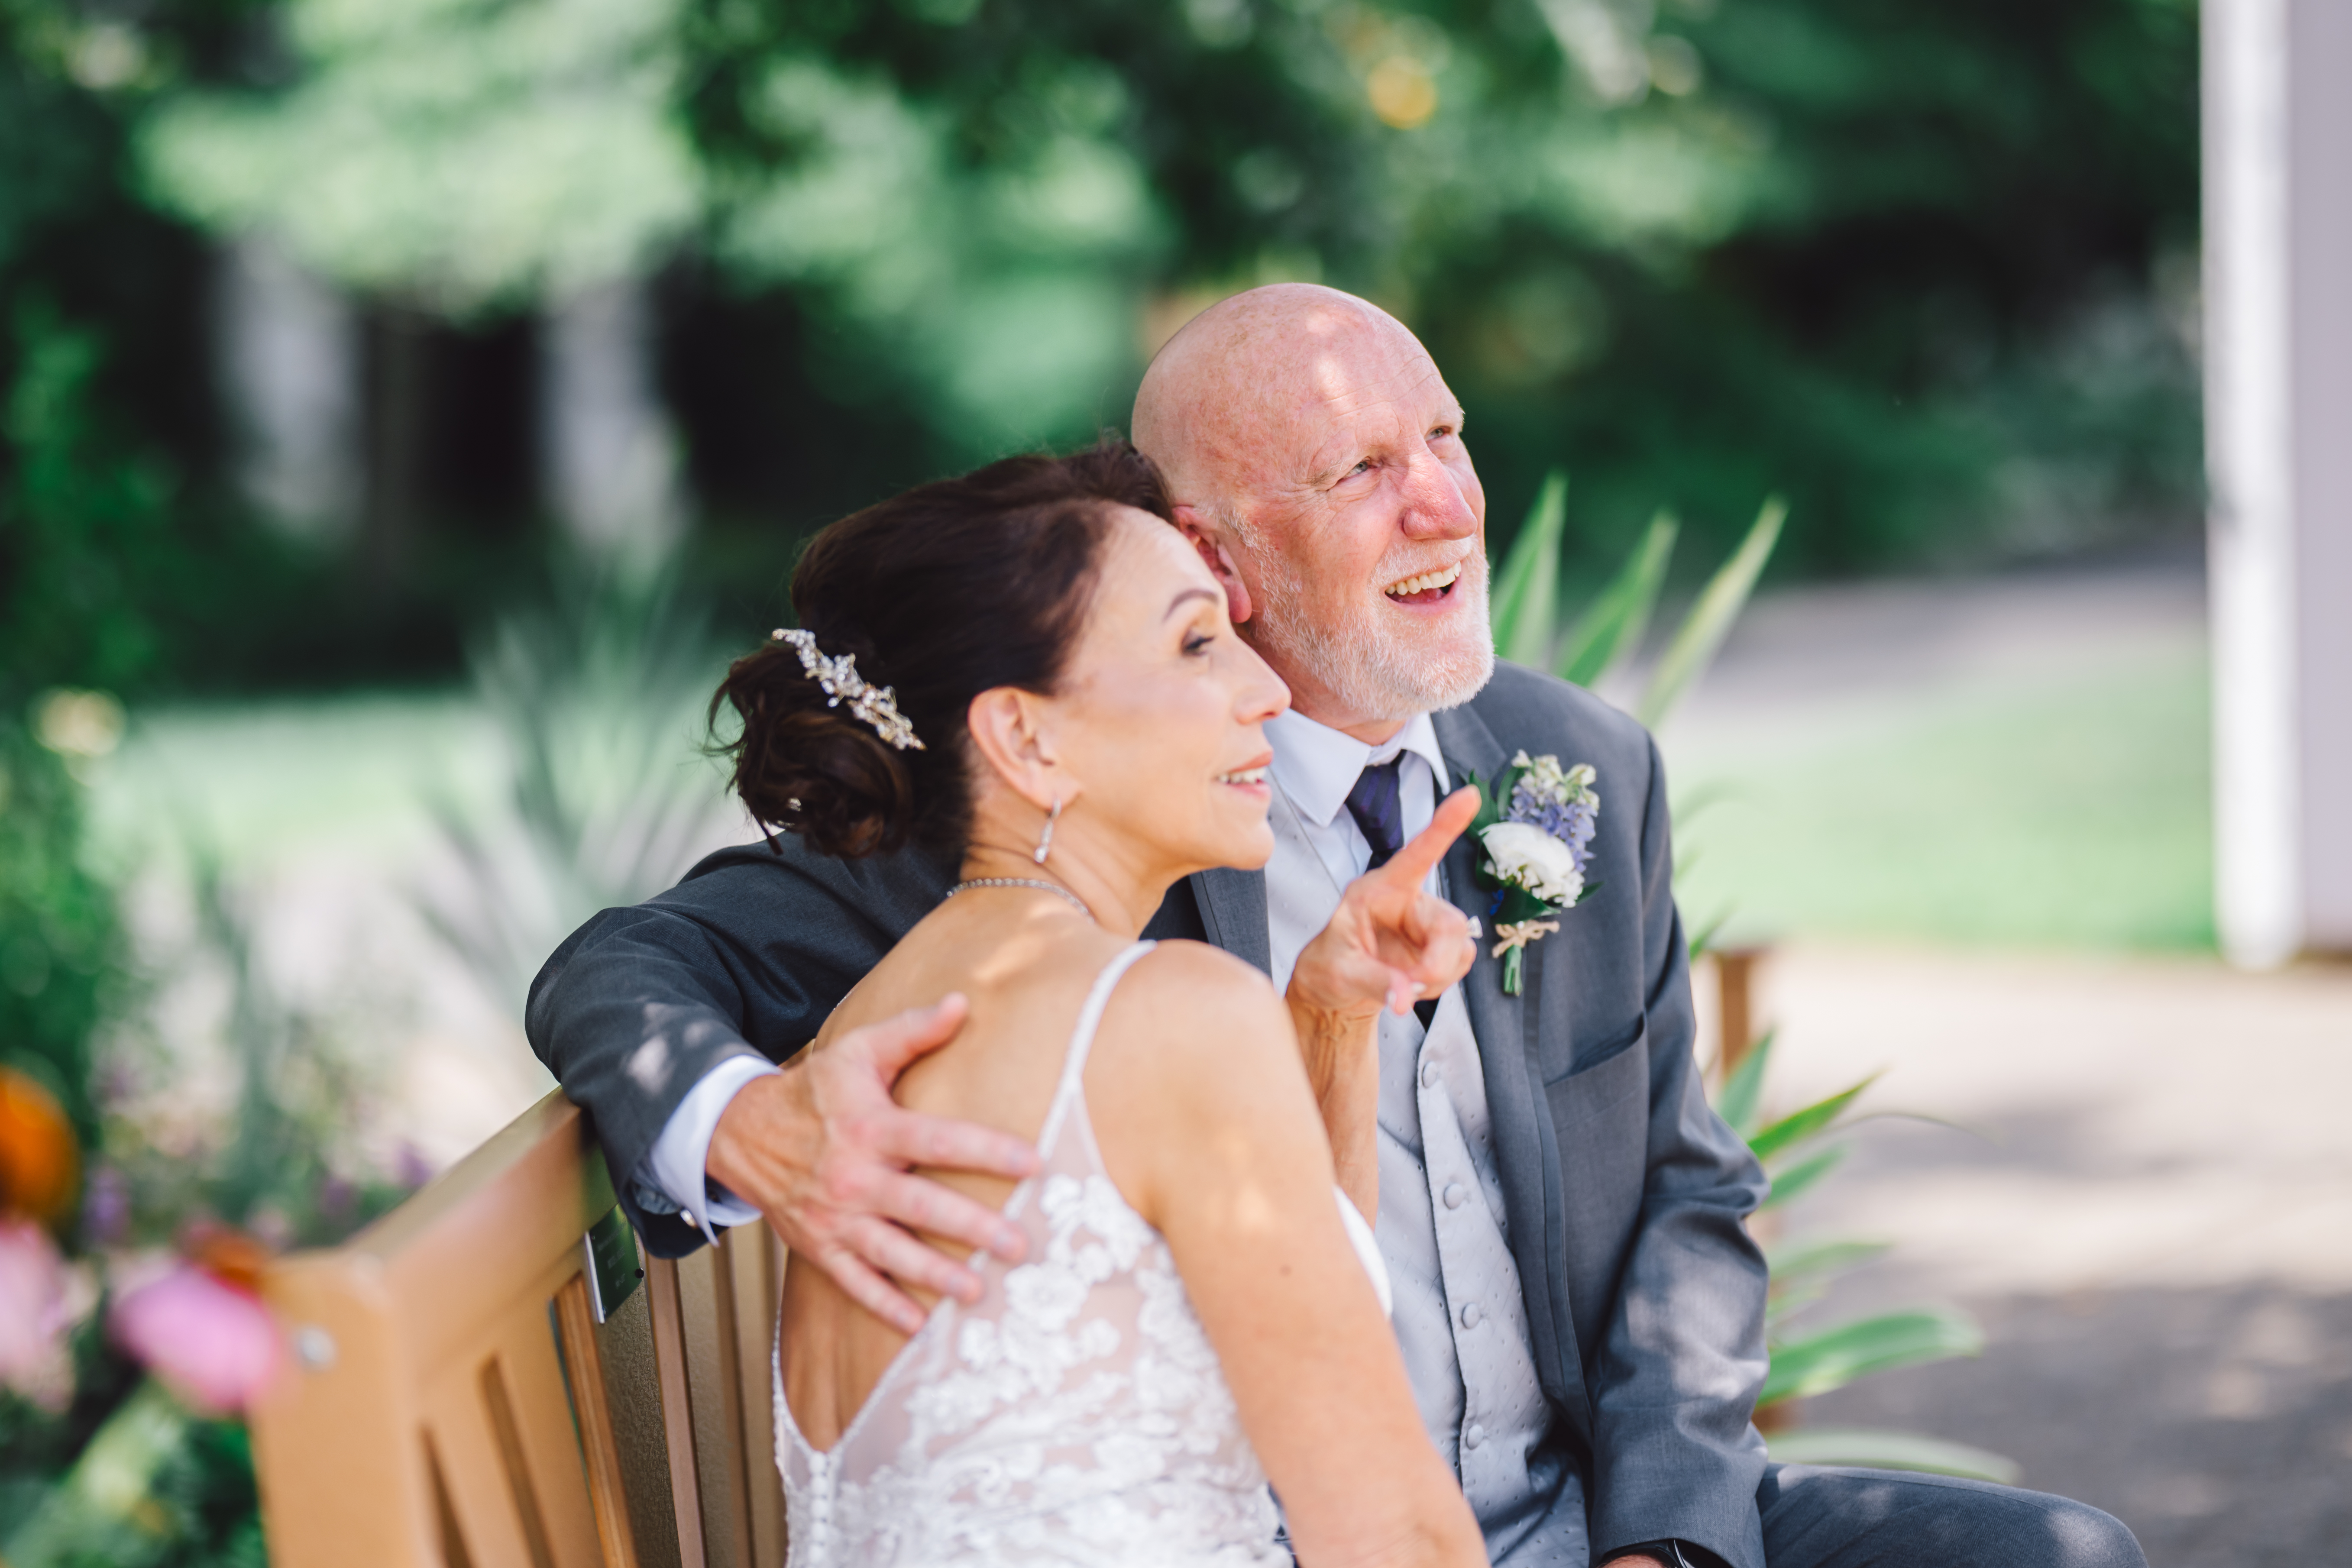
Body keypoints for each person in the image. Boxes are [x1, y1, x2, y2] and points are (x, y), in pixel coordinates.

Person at [529, 285, 2147, 1568]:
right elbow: (627, 968)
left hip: (1595, 1513)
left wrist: (1665, 1545)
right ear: (1214, 561)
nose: (1446, 505)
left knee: (2058, 1559)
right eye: (1363, 472)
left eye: (1443, 435)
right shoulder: (1060, 822)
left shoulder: (1577, 762)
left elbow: (1684, 1191)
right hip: (1293, 1530)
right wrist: (744, 1122)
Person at [712, 446, 1486, 1565]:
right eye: (1195, 643)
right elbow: (1393, 1539)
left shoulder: (866, 1028)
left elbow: (1291, 1311)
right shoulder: (1170, 1015)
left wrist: (1329, 1017)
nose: (1267, 690)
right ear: (1026, 739)